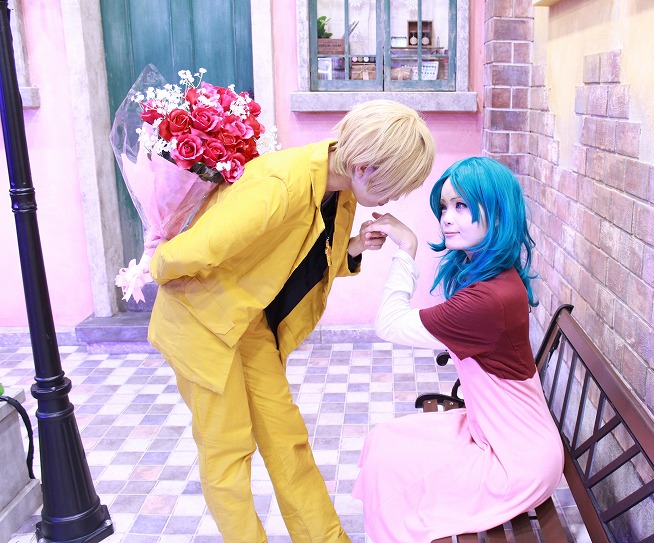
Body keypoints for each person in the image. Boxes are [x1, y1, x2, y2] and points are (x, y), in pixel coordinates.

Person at [146, 99, 435, 543]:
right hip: (200, 322)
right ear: (364, 167)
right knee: (228, 452)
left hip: (248, 321)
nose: (394, 199)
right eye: (394, 187)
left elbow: (302, 256)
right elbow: (193, 251)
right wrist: (153, 264)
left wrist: (354, 247)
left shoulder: (338, 190)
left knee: (287, 440)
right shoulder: (281, 184)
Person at [352, 157, 564, 542]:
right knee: (384, 442)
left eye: (462, 205)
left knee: (396, 477)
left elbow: (389, 324)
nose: (447, 218)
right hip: (495, 432)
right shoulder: (496, 278)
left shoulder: (488, 300)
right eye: (444, 207)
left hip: (516, 460)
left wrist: (407, 247)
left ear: (497, 214)